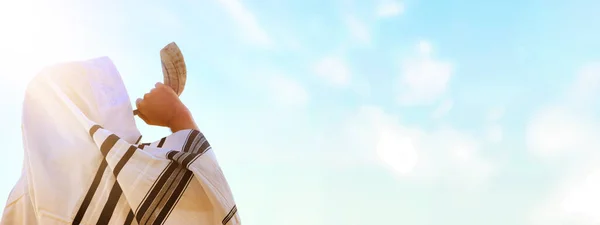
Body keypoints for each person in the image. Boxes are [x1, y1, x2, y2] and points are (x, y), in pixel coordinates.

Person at [1, 57, 240, 225]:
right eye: (110, 96)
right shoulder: (120, 175)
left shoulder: (20, 200)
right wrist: (177, 115)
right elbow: (210, 204)